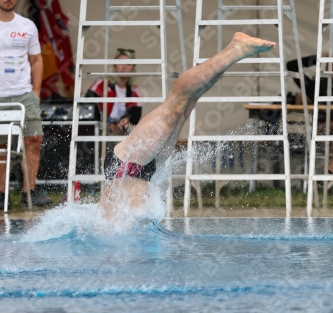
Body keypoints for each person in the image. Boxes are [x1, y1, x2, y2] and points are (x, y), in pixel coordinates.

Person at [98, 32, 276, 218]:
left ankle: (235, 50)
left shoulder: (133, 90)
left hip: (126, 164)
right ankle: (233, 52)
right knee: (185, 106)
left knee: (176, 104)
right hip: (139, 170)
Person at [0, 0, 52, 210]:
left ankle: (29, 190)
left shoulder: (27, 25)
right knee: (2, 145)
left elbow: (36, 59)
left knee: (34, 139)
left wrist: (36, 91)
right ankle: (1, 194)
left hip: (24, 93)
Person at [287, 55, 333, 173]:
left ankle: (330, 170)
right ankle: (330, 170)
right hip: (322, 128)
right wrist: (317, 57)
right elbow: (292, 68)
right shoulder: (315, 86)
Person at [85, 48, 142, 135]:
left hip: (121, 132)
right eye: (120, 63)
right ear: (114, 66)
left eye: (128, 64)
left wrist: (126, 119)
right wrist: (107, 122)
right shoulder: (103, 83)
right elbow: (87, 104)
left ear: (133, 68)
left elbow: (135, 115)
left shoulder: (135, 90)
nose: (124, 67)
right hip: (99, 128)